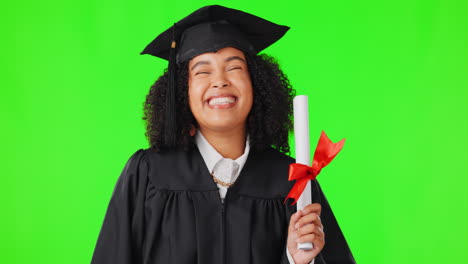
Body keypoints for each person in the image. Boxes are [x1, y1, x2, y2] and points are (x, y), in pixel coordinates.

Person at [91, 5, 355, 264]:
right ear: (183, 90)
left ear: (257, 83)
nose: (220, 81)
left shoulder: (293, 180)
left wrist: (296, 260)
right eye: (203, 71)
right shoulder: (148, 174)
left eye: (234, 68)